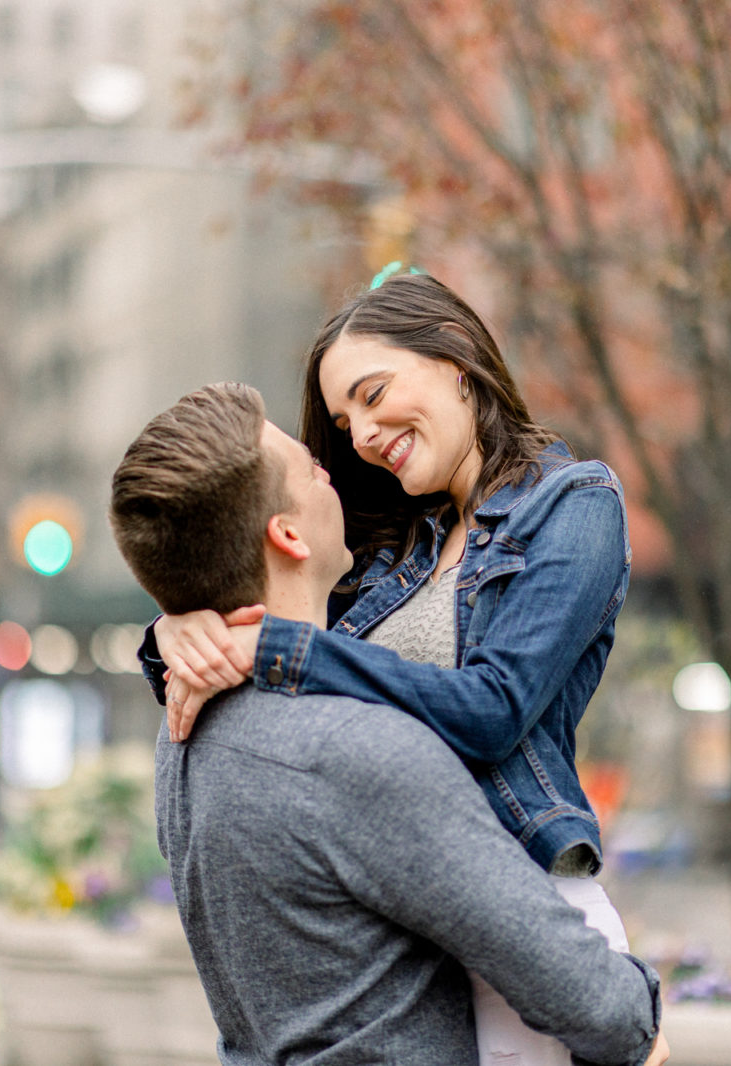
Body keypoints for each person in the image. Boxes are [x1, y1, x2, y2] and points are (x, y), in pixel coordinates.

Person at [142, 272, 634, 1064]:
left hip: (527, 908)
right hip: (417, 913)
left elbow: (495, 709)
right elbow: (266, 587)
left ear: (457, 357)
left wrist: (284, 650)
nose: (364, 434)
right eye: (345, 419)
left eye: (373, 394)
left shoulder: (573, 507)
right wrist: (178, 626)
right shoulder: (399, 544)